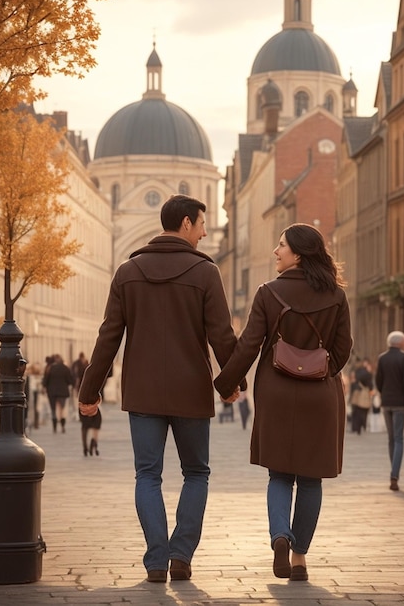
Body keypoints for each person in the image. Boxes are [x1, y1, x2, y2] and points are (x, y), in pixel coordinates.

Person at [78, 194, 242, 584]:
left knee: (147, 475)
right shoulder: (206, 273)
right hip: (191, 390)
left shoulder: (127, 271)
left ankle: (156, 561)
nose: (205, 232)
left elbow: (108, 337)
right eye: (202, 224)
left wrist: (89, 390)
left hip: (144, 392)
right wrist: (231, 383)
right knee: (196, 473)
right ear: (186, 224)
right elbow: (221, 335)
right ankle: (181, 554)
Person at [214, 223, 353, 582]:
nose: (276, 252)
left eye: (281, 246)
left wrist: (226, 384)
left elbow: (248, 345)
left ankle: (279, 534)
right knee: (311, 479)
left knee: (279, 474)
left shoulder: (268, 293)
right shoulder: (336, 295)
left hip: (276, 391)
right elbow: (343, 349)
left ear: (299, 254)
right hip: (320, 395)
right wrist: (320, 370)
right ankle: (299, 558)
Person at [375, 331, 404, 492]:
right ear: (401, 343)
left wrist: (384, 393)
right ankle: (394, 475)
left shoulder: (382, 358)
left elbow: (378, 381)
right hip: (399, 403)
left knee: (391, 439)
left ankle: (393, 472)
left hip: (386, 403)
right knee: (399, 439)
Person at [43, 354, 74, 433]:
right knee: (62, 409)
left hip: (52, 392)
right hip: (63, 391)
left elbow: (45, 380)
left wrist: (45, 387)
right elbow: (70, 381)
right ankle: (62, 426)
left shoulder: (50, 368)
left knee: (53, 410)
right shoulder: (65, 368)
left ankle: (54, 427)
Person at [349, 358, 374, 434]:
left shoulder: (356, 372)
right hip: (363, 393)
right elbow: (370, 384)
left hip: (356, 392)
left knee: (356, 411)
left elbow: (353, 382)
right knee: (363, 410)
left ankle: (355, 427)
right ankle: (363, 426)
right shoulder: (367, 373)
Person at [71, 351, 88, 421]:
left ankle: (80, 415)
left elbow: (72, 373)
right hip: (84, 385)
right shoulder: (86, 364)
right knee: (83, 401)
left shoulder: (75, 364)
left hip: (77, 386)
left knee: (78, 401)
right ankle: (83, 415)